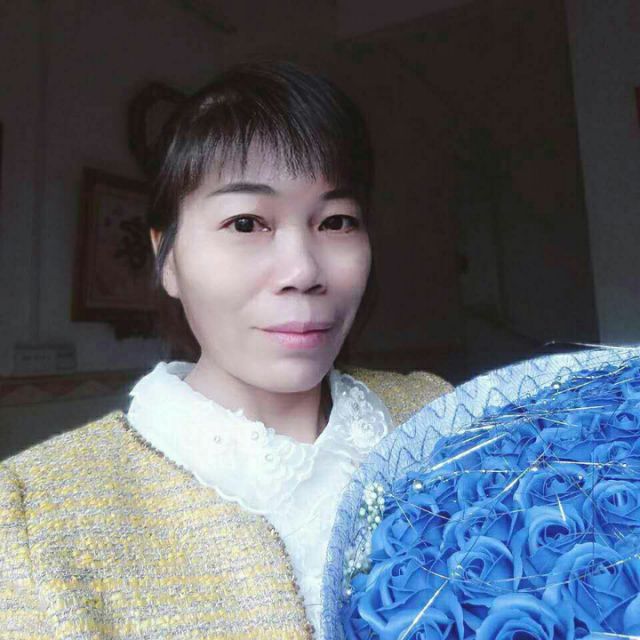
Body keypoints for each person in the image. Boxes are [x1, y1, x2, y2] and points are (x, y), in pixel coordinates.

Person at [0, 61, 452, 638]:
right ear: (167, 258)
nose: (303, 271)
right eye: (245, 223)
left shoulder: (443, 417)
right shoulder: (31, 517)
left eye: (337, 221)